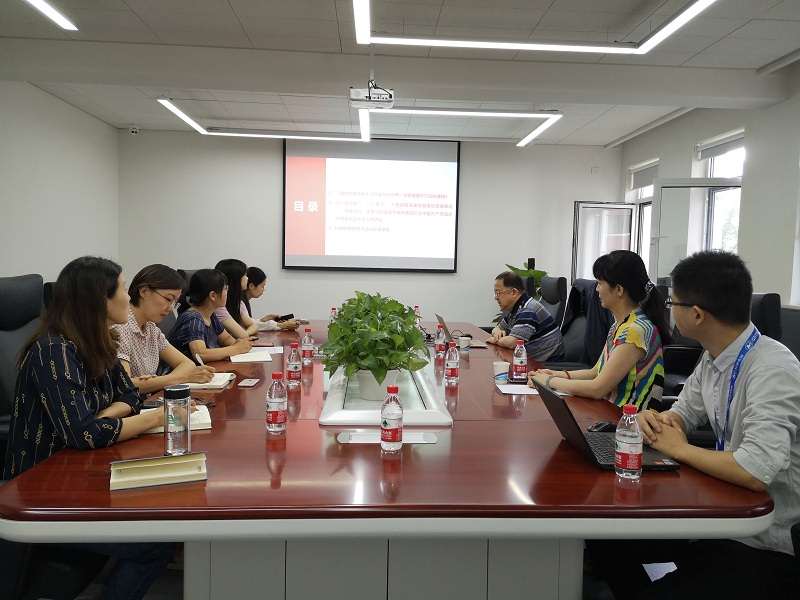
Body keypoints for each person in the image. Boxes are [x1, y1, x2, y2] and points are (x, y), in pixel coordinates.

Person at [588, 251, 800, 600]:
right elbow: (682, 414)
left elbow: (755, 470)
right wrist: (657, 421)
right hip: (720, 514)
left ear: (697, 314)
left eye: (673, 302)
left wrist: (680, 448)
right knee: (603, 540)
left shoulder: (773, 370)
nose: (668, 308)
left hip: (765, 541)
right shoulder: (714, 356)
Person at [2, 256, 174, 600]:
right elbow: (85, 434)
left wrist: (105, 417)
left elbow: (130, 395)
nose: (127, 296)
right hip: (44, 487)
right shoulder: (54, 351)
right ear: (100, 299)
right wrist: (155, 418)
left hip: (82, 470)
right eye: (122, 288)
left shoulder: (99, 341)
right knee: (155, 543)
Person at [529, 250, 669, 409]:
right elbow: (596, 372)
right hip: (609, 411)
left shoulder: (635, 331)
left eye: (600, 283)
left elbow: (597, 388)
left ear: (619, 290)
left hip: (627, 420)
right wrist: (556, 374)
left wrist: (548, 382)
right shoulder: (620, 325)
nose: (596, 289)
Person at [114, 264, 215, 394]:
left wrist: (158, 381)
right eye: (168, 299)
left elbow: (187, 364)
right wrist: (181, 378)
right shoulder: (120, 327)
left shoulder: (151, 328)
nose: (171, 308)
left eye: (174, 302)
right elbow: (126, 385)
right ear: (144, 291)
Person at [169, 269, 252, 362]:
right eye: (225, 289)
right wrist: (236, 349)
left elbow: (226, 339)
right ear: (213, 295)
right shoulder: (193, 318)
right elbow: (200, 354)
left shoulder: (210, 315)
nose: (227, 292)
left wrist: (240, 344)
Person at [486, 271, 564, 361]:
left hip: (546, 364)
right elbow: (498, 328)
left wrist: (495, 340)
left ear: (513, 292)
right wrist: (497, 332)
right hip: (528, 360)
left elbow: (513, 343)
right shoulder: (516, 308)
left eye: (498, 292)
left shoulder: (528, 309)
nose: (496, 297)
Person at [215, 260, 298, 338]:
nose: (247, 278)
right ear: (235, 279)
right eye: (245, 275)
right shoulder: (219, 307)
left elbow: (252, 326)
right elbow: (243, 333)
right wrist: (281, 325)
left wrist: (263, 320)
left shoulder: (238, 302)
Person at [242, 266, 298, 331]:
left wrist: (262, 320)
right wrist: (281, 325)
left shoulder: (244, 300)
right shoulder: (239, 302)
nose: (264, 289)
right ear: (251, 286)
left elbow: (249, 322)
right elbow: (248, 326)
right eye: (262, 286)